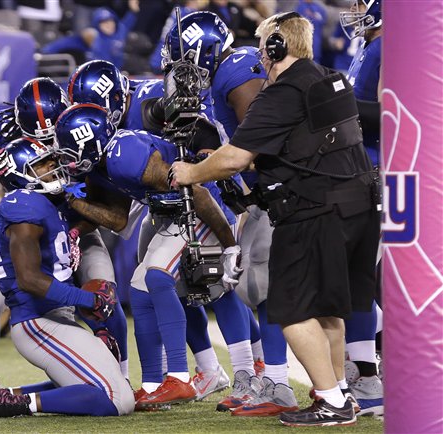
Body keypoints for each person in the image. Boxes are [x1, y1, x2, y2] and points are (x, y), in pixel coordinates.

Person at [171, 11, 380, 427]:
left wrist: (190, 172)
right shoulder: (327, 78)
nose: (259, 52)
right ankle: (341, 395)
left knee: (291, 310)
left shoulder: (282, 92)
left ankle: (330, 400)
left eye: (264, 43)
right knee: (328, 310)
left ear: (276, 47)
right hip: (359, 206)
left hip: (317, 211)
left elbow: (235, 158)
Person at [54, 103, 242, 409]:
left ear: (90, 142)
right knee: (139, 291)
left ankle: (179, 378)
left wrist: (230, 243)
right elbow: (117, 219)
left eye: (71, 150)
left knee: (155, 275)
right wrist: (72, 202)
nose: (68, 159)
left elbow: (197, 191)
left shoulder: (124, 156)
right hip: (173, 212)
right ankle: (154, 384)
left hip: (201, 208)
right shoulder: (103, 165)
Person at [164, 10, 297, 416]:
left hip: (280, 194)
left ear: (203, 52)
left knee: (265, 287)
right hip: (268, 196)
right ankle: (280, 380)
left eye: (188, 60)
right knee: (257, 288)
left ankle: (279, 384)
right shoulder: (232, 69)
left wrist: (213, 166)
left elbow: (261, 140)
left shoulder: (236, 71)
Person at [0, 138, 134, 419]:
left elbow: (93, 209)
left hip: (55, 318)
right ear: (21, 173)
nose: (53, 166)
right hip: (38, 322)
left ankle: (5, 395)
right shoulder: (23, 206)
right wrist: (89, 299)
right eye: (43, 164)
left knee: (116, 389)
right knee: (117, 400)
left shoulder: (44, 198)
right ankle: (11, 405)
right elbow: (29, 280)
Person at [340, 0, 383, 417]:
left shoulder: (389, 47)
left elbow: (397, 112)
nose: (353, 9)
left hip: (386, 174)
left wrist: (339, 104)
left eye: (359, 2)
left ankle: (371, 375)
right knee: (366, 280)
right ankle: (367, 369)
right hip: (361, 172)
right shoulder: (368, 47)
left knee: (370, 280)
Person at [41, 1, 139, 69]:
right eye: (104, 23)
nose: (108, 25)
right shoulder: (92, 36)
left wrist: (133, 10)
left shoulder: (120, 32)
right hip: (97, 74)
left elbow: (129, 20)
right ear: (97, 25)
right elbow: (67, 42)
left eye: (110, 21)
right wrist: (45, 50)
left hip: (118, 72)